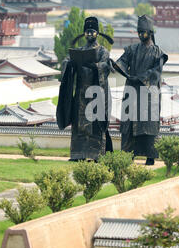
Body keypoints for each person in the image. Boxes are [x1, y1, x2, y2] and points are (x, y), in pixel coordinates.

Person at [56, 16, 114, 161]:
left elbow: (106, 66)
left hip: (97, 93)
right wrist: (68, 63)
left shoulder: (102, 51)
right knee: (78, 124)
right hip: (81, 92)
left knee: (96, 124)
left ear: (97, 33)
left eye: (92, 32)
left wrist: (95, 66)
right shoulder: (80, 50)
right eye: (87, 32)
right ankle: (78, 154)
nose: (89, 34)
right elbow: (68, 63)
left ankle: (96, 155)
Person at [114, 15, 168, 165]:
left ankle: (150, 156)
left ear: (150, 33)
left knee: (148, 123)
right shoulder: (132, 49)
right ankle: (128, 155)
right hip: (131, 90)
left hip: (149, 93)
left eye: (143, 32)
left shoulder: (158, 53)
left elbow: (156, 72)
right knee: (129, 123)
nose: (140, 35)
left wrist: (140, 78)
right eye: (138, 32)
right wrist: (118, 66)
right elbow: (122, 62)